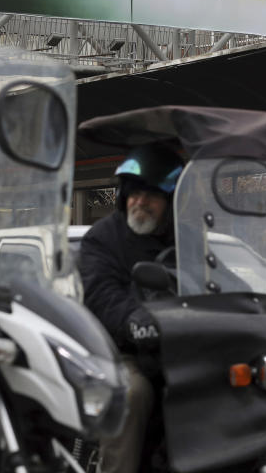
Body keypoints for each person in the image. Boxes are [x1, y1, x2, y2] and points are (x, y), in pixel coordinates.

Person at [78, 143, 184, 473]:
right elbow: (100, 293)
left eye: (152, 194)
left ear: (170, 200)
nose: (140, 201)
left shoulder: (188, 236)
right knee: (132, 394)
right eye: (134, 192)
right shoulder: (103, 238)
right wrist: (132, 318)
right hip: (122, 351)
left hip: (184, 348)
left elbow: (218, 278)